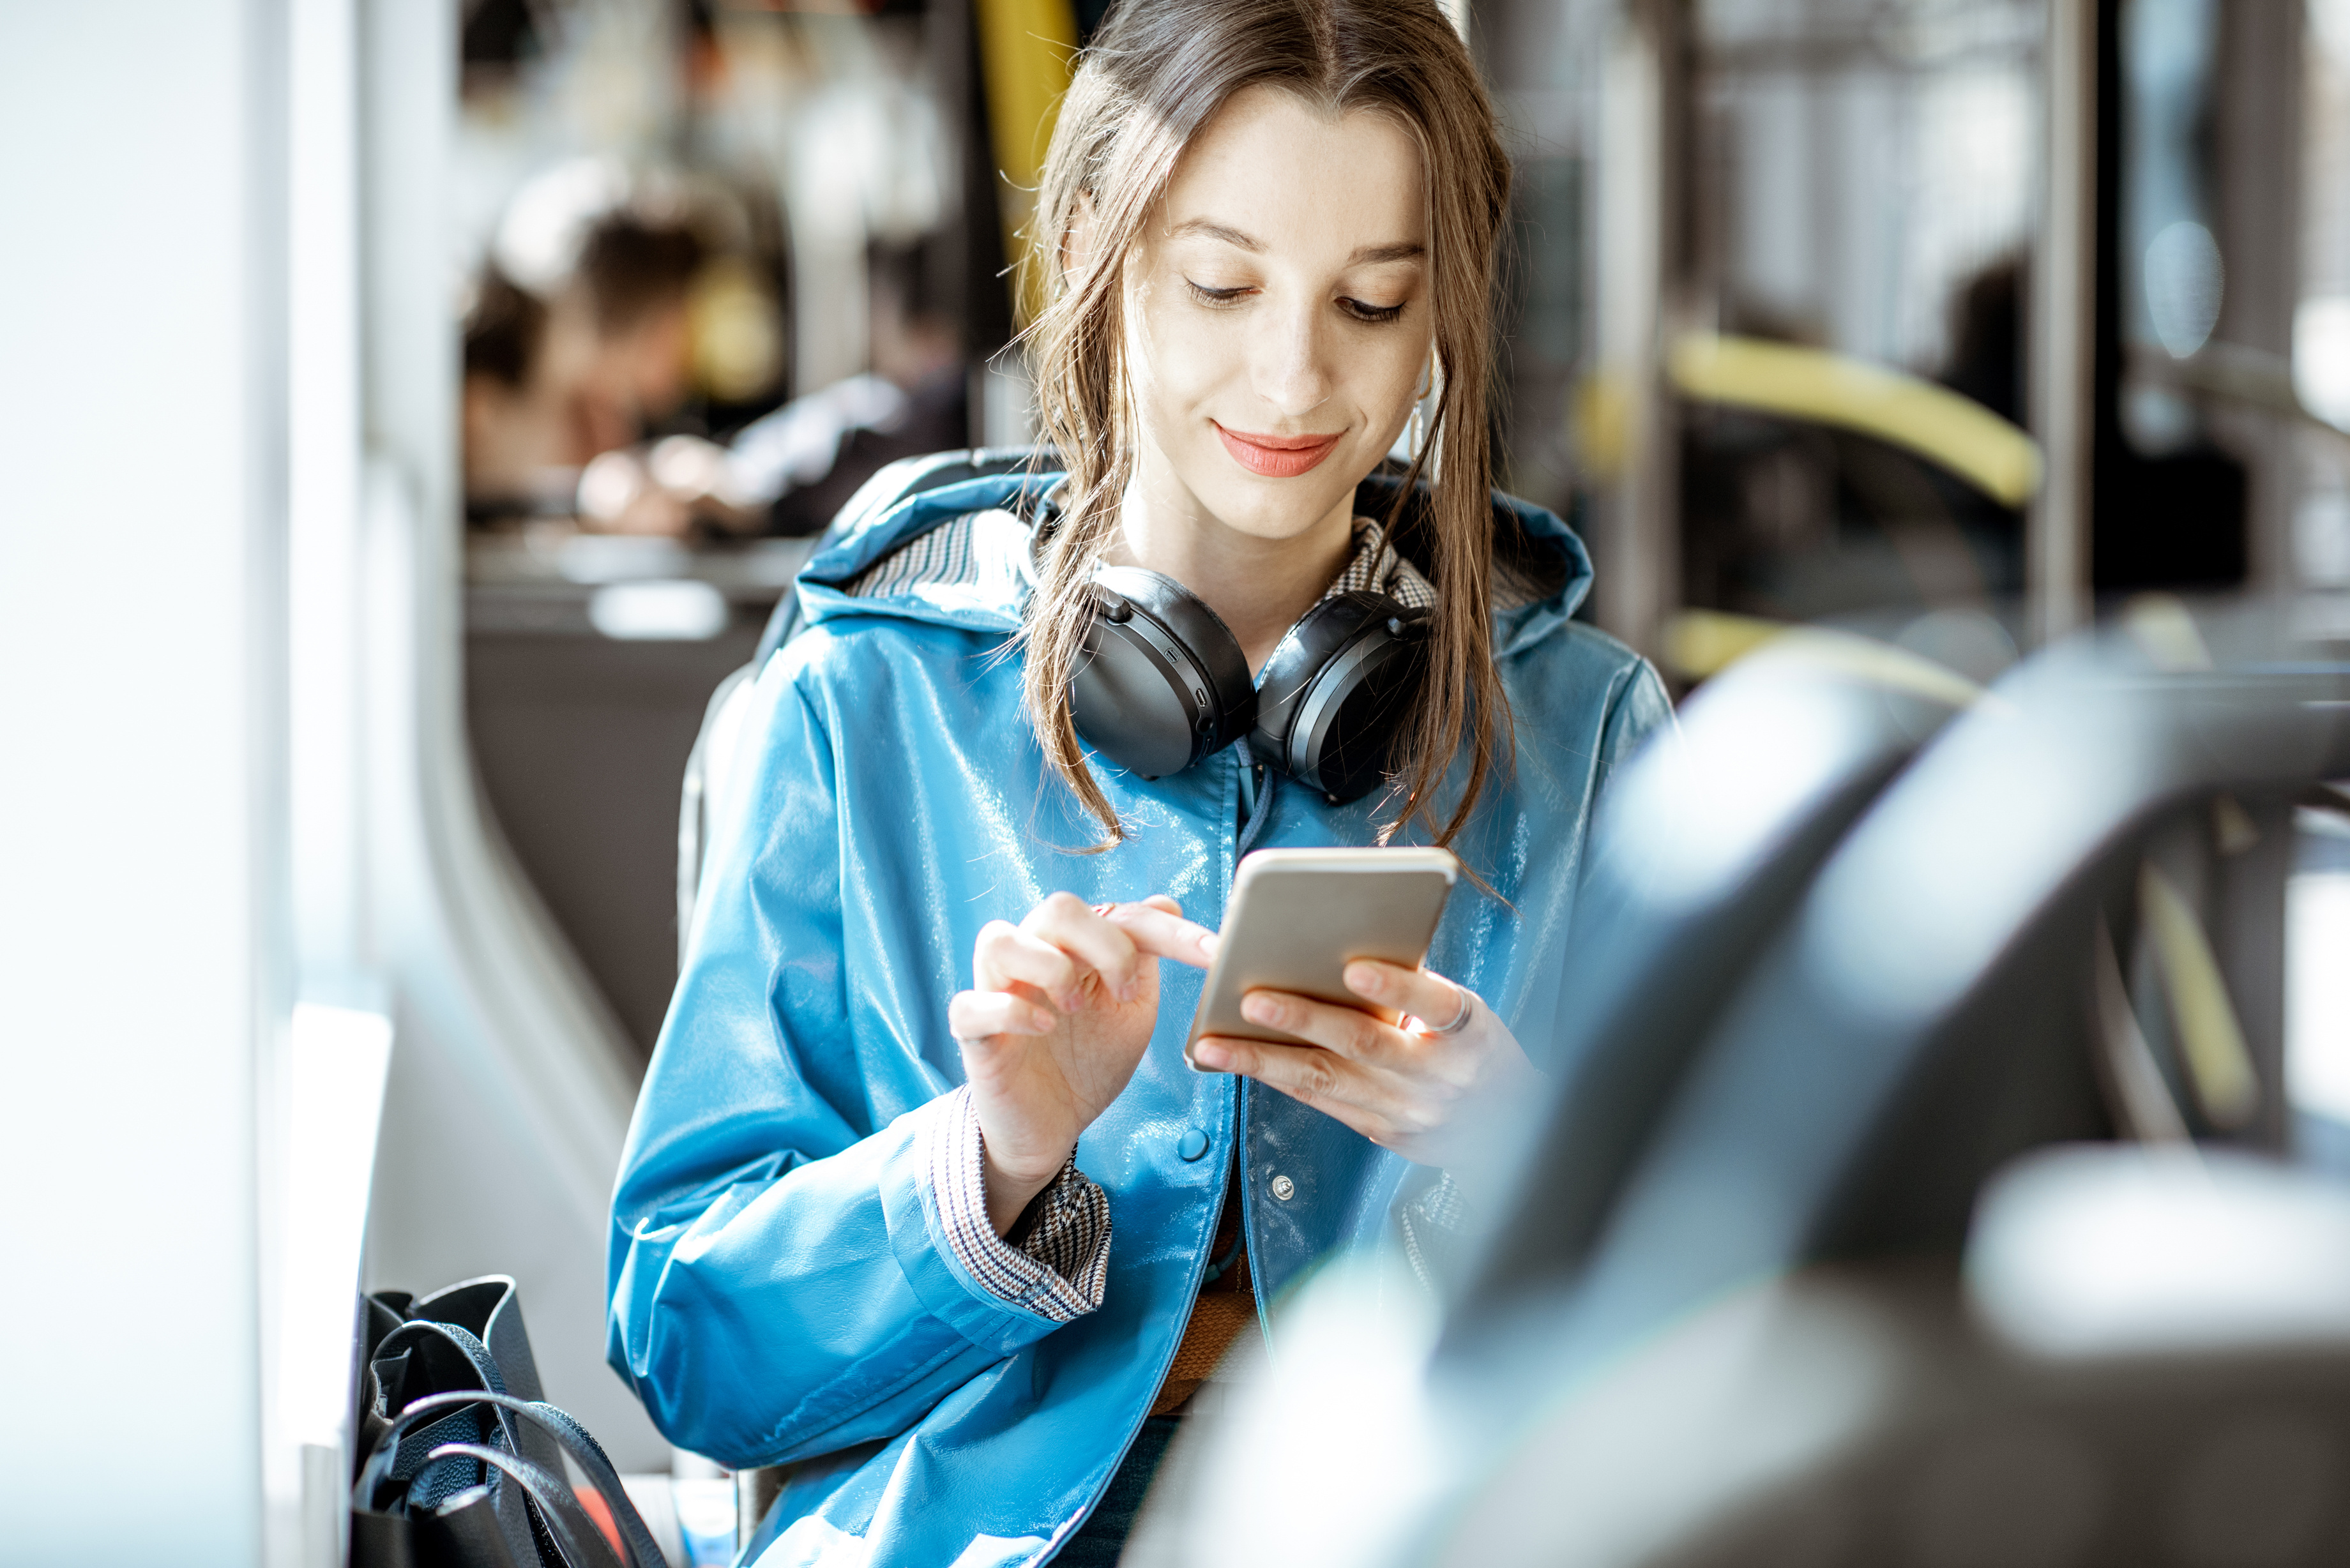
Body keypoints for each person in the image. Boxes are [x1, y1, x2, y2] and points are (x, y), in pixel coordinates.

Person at [605, 2, 1671, 1563]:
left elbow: (1732, 1333)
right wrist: (986, 1164)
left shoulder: (1583, 731)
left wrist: (1519, 1155)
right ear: (1103, 257)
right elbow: (687, 1348)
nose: (1294, 376)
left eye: (1372, 304)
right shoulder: (866, 696)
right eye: (1224, 285)